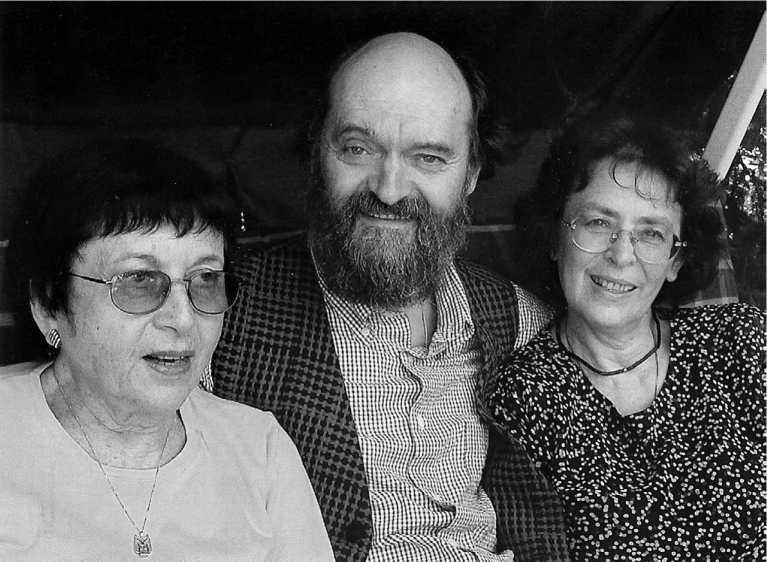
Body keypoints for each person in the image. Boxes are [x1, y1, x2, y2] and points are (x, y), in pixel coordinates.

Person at [212, 32, 568, 561]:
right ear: (317, 152)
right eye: (358, 148)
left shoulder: (519, 321)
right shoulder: (220, 309)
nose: (390, 188)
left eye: (429, 157)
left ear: (471, 174)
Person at [0, 139, 333, 561]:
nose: (183, 318)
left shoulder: (259, 448)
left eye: (205, 279)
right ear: (49, 305)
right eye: (139, 280)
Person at [482, 112, 766, 560]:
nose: (621, 254)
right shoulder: (524, 397)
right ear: (554, 237)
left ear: (675, 261)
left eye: (650, 233)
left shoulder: (739, 341)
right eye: (597, 222)